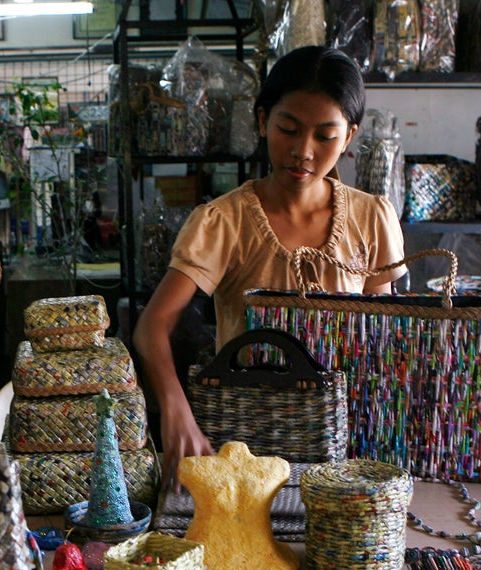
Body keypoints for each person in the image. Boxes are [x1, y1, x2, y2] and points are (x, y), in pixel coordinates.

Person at [133, 45, 407, 489]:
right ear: (262, 121)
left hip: (347, 448)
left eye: (325, 136)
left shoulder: (372, 218)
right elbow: (152, 327)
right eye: (288, 128)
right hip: (248, 439)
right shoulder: (224, 221)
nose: (303, 151)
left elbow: (379, 340)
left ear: (350, 136)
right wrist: (176, 411)